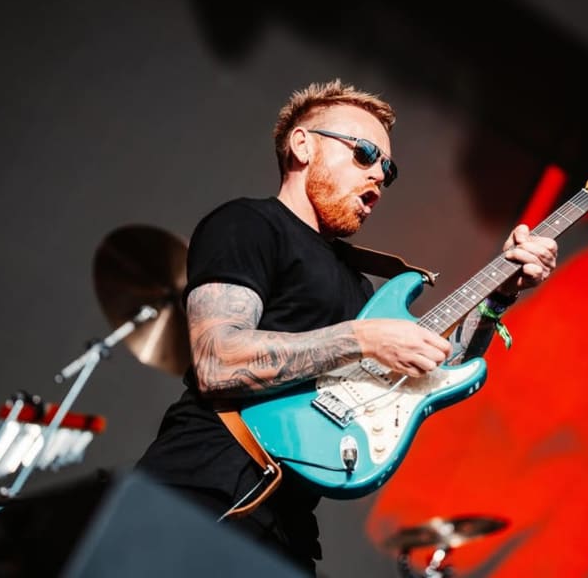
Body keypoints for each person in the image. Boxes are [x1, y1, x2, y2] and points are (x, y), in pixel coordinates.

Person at [135, 78, 558, 575]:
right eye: (364, 154)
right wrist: (362, 339)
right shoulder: (248, 225)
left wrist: (501, 292)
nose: (379, 176)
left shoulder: (365, 293)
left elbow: (433, 372)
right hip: (196, 491)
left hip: (285, 530)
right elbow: (217, 359)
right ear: (302, 145)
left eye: (389, 169)